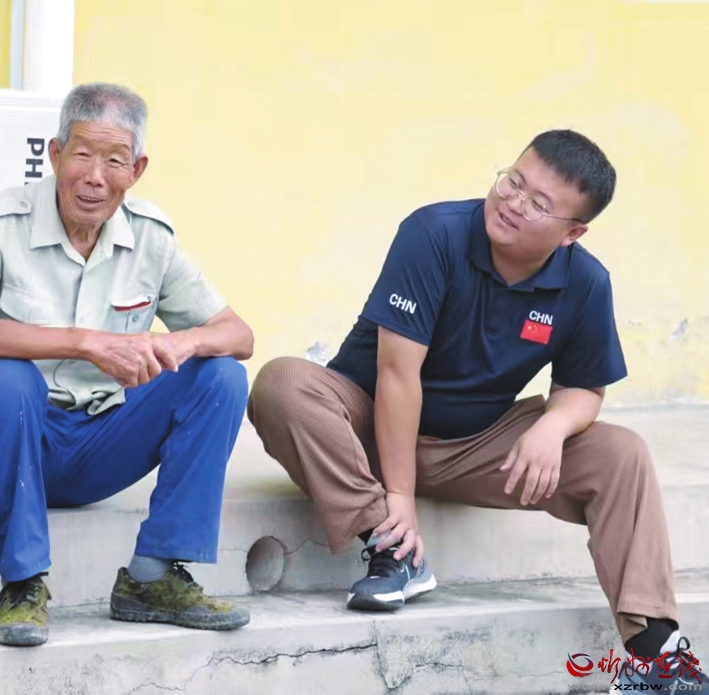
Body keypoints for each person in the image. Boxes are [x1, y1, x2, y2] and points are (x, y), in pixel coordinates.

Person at [248, 130, 705, 691]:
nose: (513, 202)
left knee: (622, 453)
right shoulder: (434, 234)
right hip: (366, 430)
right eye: (513, 181)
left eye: (539, 204)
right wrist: (399, 498)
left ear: (572, 233)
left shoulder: (586, 283)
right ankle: (392, 550)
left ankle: (655, 656)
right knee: (283, 384)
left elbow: (585, 388)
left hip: (478, 446)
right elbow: (397, 375)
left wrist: (553, 426)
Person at [0, 82, 255, 647]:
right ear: (56, 154)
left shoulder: (152, 238)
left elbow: (239, 333)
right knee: (6, 377)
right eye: (82, 154)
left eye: (115, 161)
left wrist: (181, 344)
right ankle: (22, 586)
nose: (95, 177)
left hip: (92, 447)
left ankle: (153, 577)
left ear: (137, 170)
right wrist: (84, 342)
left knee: (221, 373)